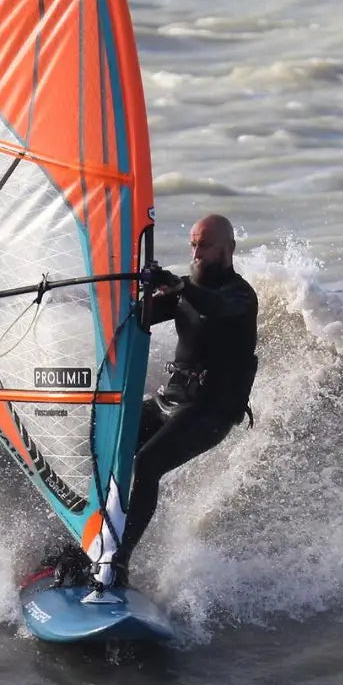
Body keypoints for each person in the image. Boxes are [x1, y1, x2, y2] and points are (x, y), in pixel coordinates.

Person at [106, 213, 258, 589]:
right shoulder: (186, 289)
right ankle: (91, 540)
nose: (196, 251)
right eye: (193, 244)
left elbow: (214, 307)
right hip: (168, 400)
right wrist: (135, 291)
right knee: (103, 440)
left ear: (227, 248)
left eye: (204, 244)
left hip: (211, 411)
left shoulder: (240, 295)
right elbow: (139, 317)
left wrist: (176, 285)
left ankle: (119, 563)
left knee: (147, 463)